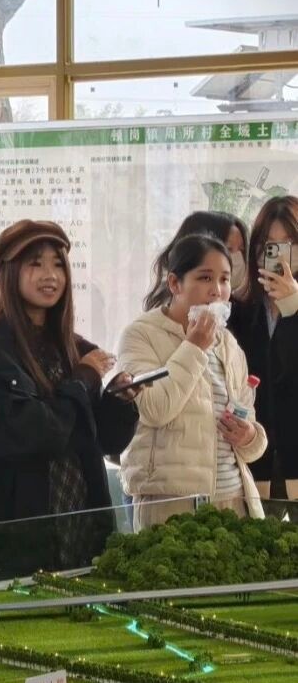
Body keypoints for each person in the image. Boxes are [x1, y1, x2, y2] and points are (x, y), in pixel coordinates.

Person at [0, 220, 139, 573]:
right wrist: (82, 379)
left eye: (58, 264)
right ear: (9, 273)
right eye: (35, 264)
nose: (50, 275)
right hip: (19, 536)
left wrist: (119, 401)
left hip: (81, 525)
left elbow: (106, 441)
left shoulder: (74, 349)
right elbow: (34, 435)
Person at [119, 233, 266, 529]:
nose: (217, 291)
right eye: (205, 278)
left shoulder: (229, 344)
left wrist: (249, 436)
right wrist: (194, 347)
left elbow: (250, 435)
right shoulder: (141, 334)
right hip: (172, 506)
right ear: (175, 284)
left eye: (224, 279)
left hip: (235, 500)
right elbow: (155, 410)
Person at [229, 195, 298, 505]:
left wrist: (293, 308)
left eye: (290, 244)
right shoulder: (242, 310)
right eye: (270, 245)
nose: (280, 254)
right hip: (254, 461)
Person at [144, 211, 248, 310]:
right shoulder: (161, 317)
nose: (237, 257)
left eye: (242, 250)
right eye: (228, 249)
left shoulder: (233, 308)